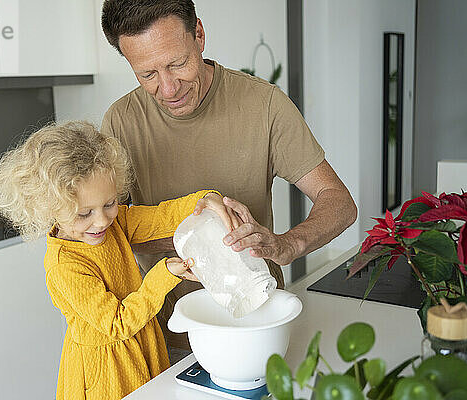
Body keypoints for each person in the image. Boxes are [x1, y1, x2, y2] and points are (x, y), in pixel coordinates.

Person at [100, 0, 358, 361]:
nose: (169, 87)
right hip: (164, 337)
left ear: (199, 35)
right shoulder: (121, 122)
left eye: (177, 63)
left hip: (259, 328)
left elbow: (339, 202)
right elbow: (107, 229)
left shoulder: (264, 105)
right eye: (148, 74)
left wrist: (287, 245)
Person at [0, 121, 236, 400]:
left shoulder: (115, 223)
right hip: (107, 372)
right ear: (48, 206)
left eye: (109, 203)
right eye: (83, 213)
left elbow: (161, 217)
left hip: (142, 343)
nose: (101, 220)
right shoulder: (64, 265)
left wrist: (205, 200)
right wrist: (164, 274)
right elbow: (116, 324)